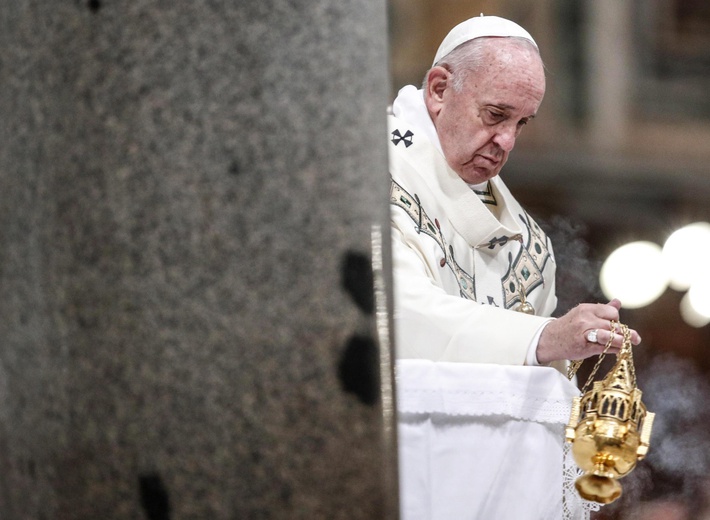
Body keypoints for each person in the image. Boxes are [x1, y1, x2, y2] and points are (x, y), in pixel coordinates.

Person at [388, 15, 641, 520]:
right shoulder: (367, 183)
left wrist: (569, 346)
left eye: (520, 124)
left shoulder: (526, 245)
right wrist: (542, 338)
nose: (506, 141)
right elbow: (394, 315)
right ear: (439, 89)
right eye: (495, 114)